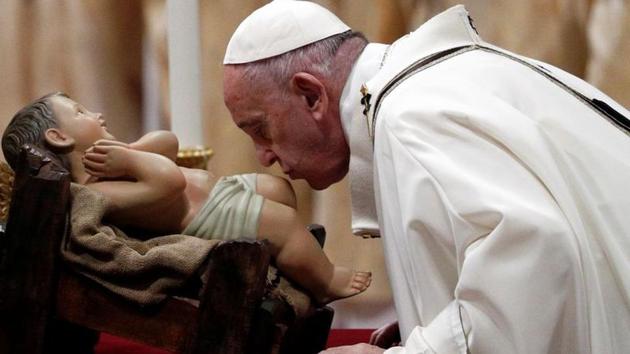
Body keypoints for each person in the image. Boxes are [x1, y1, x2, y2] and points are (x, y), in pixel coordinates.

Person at [222, 1, 630, 353]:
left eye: (261, 129)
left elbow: (535, 257)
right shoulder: (438, 83)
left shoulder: (411, 116)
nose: (264, 156)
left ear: (311, 95)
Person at [1, 92, 372, 305]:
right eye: (80, 113)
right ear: (59, 137)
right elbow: (168, 183)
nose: (95, 112)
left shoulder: (114, 159)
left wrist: (129, 149)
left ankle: (293, 257)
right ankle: (324, 281)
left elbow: (169, 143)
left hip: (220, 191)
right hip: (207, 216)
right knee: (285, 224)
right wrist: (132, 160)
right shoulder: (96, 192)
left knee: (278, 190)